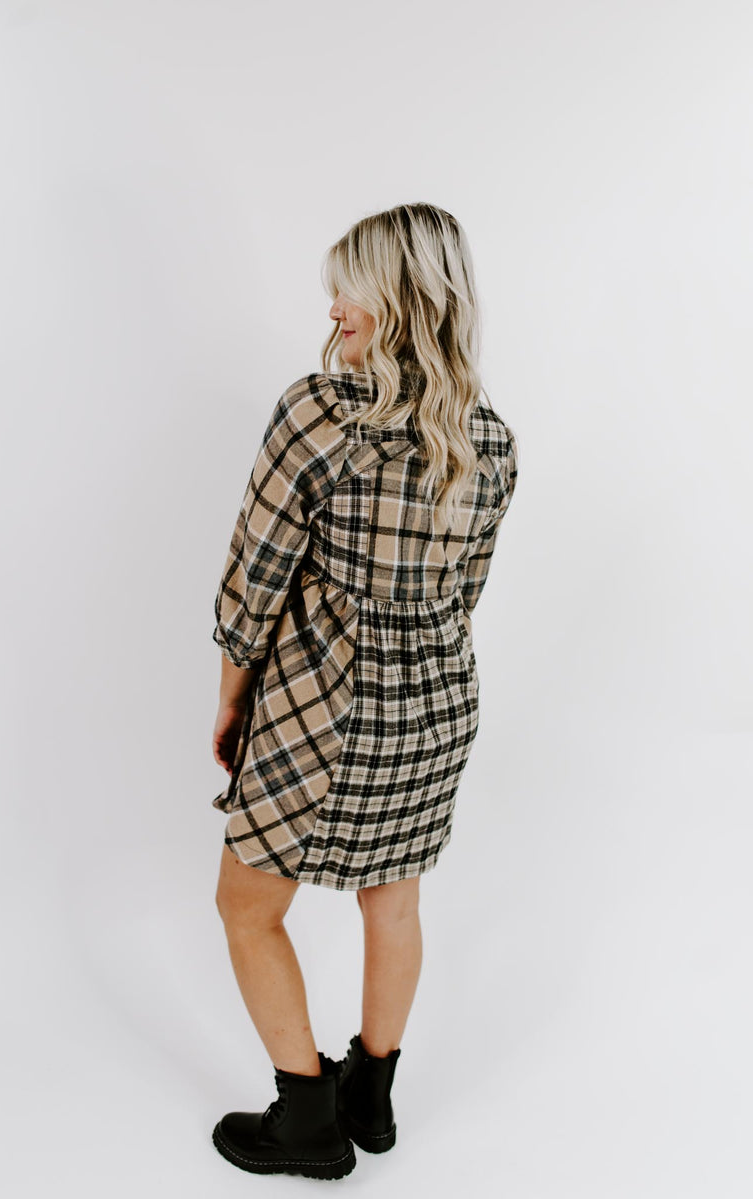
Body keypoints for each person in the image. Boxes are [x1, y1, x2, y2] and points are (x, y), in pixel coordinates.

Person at [209, 202, 519, 1179]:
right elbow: (464, 591)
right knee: (393, 895)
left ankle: (306, 1120)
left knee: (246, 904)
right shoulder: (489, 439)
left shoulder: (318, 413)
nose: (334, 308)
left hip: (321, 699)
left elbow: (255, 578)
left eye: (350, 289)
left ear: (399, 298)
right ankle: (370, 1096)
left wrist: (232, 697)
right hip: (437, 707)